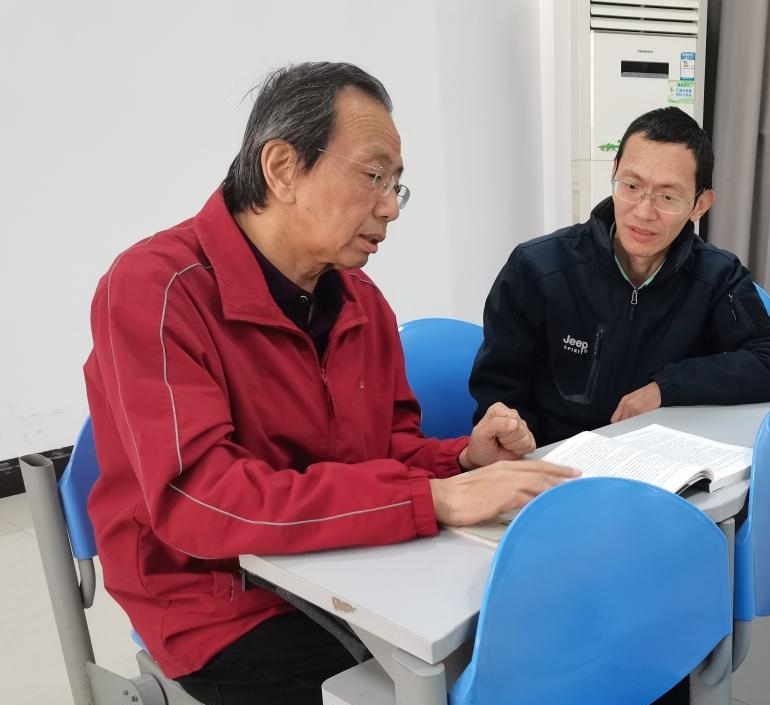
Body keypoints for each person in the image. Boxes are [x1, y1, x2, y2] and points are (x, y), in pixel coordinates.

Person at [82, 62, 576, 705]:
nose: (389, 208)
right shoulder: (157, 290)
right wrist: (431, 500)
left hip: (349, 565)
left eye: (397, 185)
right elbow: (200, 500)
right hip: (220, 602)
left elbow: (386, 449)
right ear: (283, 168)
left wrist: (460, 460)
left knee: (542, 636)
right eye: (373, 176)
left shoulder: (360, 301)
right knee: (440, 683)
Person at [468, 107, 770, 446]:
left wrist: (666, 387)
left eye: (667, 197)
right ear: (614, 171)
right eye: (631, 186)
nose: (643, 212)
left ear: (700, 204)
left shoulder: (716, 276)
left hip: (659, 460)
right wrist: (517, 439)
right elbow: (498, 392)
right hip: (555, 462)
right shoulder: (538, 268)